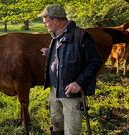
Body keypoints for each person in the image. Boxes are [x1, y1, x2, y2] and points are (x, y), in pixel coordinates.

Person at [38, 4, 102, 135]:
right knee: (56, 124)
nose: (45, 25)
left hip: (71, 95)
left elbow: (95, 62)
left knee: (71, 130)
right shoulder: (56, 36)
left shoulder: (81, 36)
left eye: (46, 22)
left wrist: (79, 82)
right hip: (54, 90)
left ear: (56, 20)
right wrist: (50, 52)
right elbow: (65, 53)